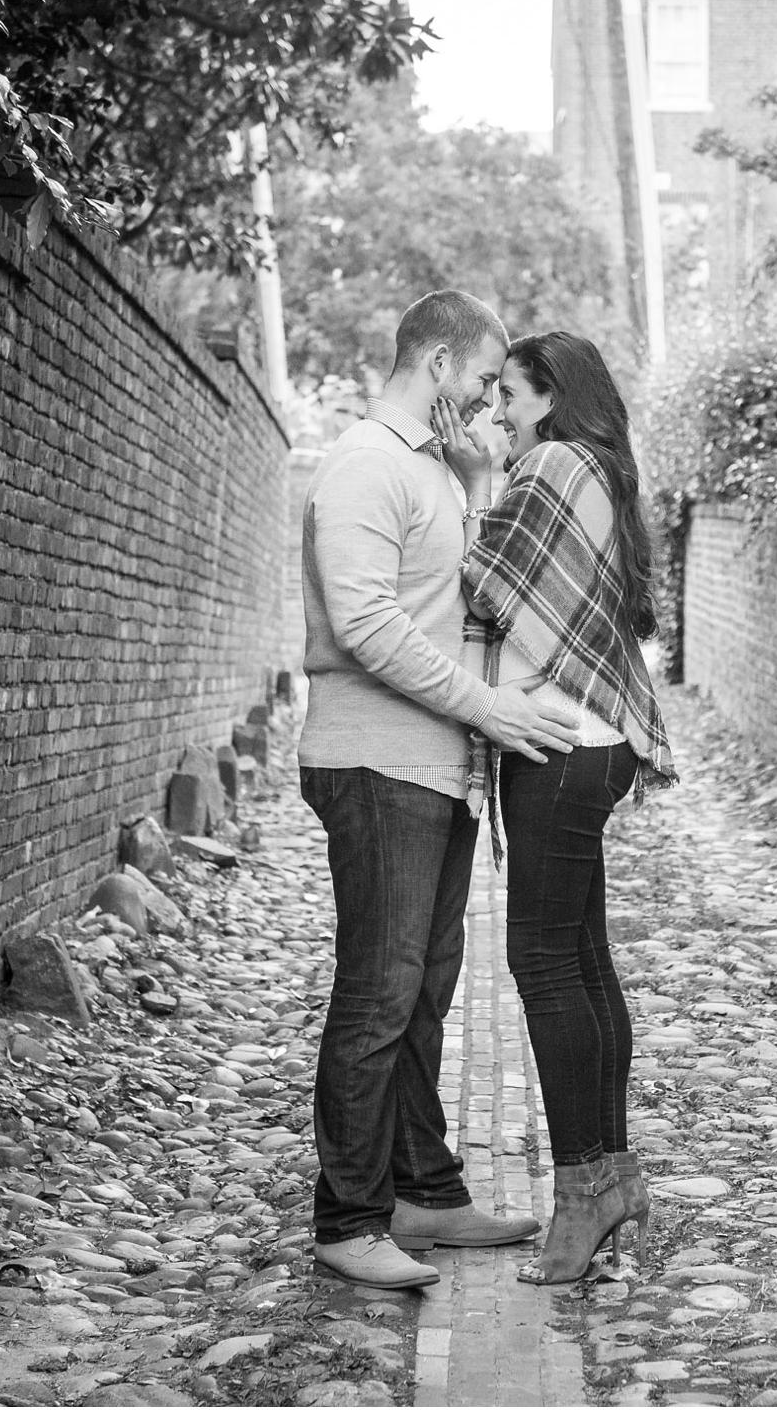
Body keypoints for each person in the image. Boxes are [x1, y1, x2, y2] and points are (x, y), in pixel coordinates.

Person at [298, 290, 583, 1289]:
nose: (487, 399)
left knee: (423, 993)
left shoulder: (426, 467)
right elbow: (367, 623)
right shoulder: (366, 464)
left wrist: (473, 472)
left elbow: (446, 601)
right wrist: (488, 708)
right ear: (436, 362)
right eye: (477, 378)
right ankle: (348, 1217)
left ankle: (423, 1191)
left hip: (431, 771)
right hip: (377, 765)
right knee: (378, 995)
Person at [432, 329, 677, 1285]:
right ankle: (613, 1175)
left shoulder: (551, 469)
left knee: (541, 960)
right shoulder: (599, 468)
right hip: (593, 742)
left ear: (551, 396)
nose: (497, 410)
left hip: (561, 746)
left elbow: (481, 582)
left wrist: (473, 478)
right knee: (581, 955)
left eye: (511, 395)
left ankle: (580, 1193)